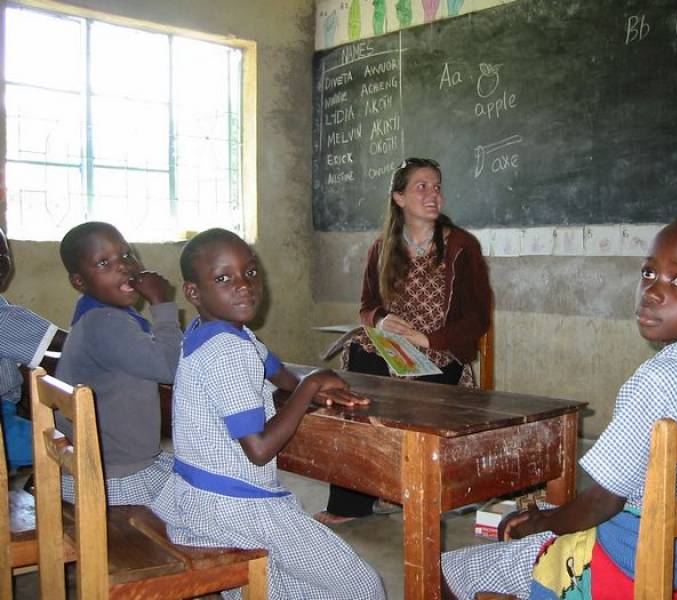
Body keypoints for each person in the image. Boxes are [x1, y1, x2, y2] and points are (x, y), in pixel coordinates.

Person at [442, 214, 677, 600]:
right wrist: (545, 516)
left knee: (452, 568)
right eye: (648, 273)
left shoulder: (657, 382)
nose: (652, 292)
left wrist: (538, 525)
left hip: (617, 570)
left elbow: (603, 501)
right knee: (542, 510)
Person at [150, 228, 385, 600]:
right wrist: (310, 389)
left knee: (291, 588)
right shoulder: (229, 351)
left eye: (251, 272)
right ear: (193, 292)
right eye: (223, 278)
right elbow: (258, 449)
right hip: (237, 509)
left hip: (198, 502)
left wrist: (311, 389)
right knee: (363, 587)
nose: (244, 286)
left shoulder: (210, 332)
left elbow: (280, 375)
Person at [316, 157, 492, 524]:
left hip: (440, 353)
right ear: (399, 198)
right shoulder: (382, 248)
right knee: (360, 360)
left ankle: (404, 490)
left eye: (437, 186)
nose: (433, 194)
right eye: (421, 187)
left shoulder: (462, 247)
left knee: (407, 389)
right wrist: (382, 319)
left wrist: (427, 338)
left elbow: (477, 316)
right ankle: (353, 502)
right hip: (393, 348)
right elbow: (367, 305)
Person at [56, 222, 181, 505]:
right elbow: (171, 368)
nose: (123, 267)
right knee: (208, 497)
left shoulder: (97, 314)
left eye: (126, 255)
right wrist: (161, 303)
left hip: (102, 465)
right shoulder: (106, 323)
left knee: (187, 471)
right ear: (79, 282)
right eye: (104, 262)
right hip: (113, 480)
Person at [0, 227, 66, 471]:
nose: (1, 264)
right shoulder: (3, 318)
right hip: (3, 426)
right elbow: (67, 344)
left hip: (9, 415)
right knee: (75, 443)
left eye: (4, 256)